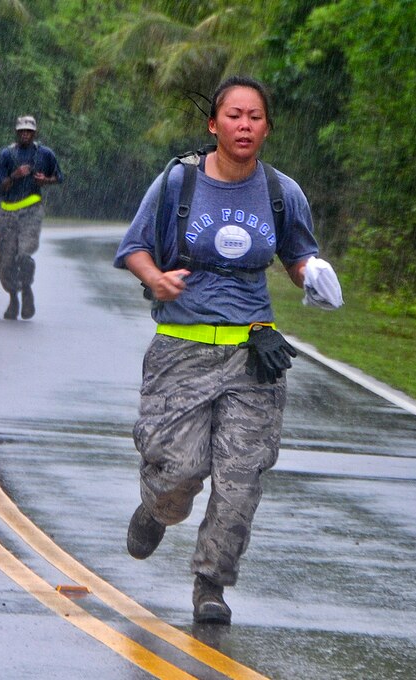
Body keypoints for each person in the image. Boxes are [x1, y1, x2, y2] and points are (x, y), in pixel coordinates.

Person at [114, 75, 341, 625]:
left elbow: (294, 256)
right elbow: (134, 248)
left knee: (241, 479)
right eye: (234, 116)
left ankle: (211, 585)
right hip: (181, 353)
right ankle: (156, 506)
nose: (245, 125)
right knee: (180, 475)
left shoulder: (281, 193)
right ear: (214, 124)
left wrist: (312, 273)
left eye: (255, 117)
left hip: (252, 356)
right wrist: (158, 279)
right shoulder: (176, 183)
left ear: (266, 127)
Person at [0, 115, 63, 320]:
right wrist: (14, 175)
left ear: (34, 133)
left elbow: (59, 177)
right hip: (7, 213)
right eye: (22, 130)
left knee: (24, 255)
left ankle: (27, 290)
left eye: (29, 131)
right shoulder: (6, 154)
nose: (25, 134)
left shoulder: (45, 154)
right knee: (4, 263)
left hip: (31, 212)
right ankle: (13, 297)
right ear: (17, 132)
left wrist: (45, 180)